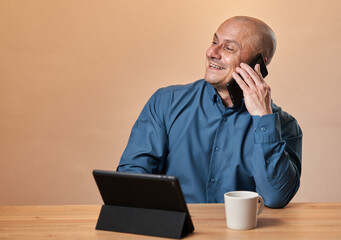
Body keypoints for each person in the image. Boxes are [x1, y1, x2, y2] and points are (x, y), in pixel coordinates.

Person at [117, 16, 302, 208]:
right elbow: (132, 178)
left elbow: (276, 197)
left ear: (258, 64)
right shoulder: (166, 102)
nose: (212, 52)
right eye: (214, 42)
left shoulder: (284, 126)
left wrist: (264, 119)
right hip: (176, 231)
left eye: (229, 47)